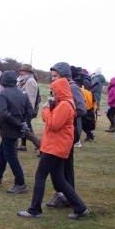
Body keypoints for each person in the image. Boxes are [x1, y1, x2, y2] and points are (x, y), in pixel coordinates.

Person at [17, 76, 90, 220]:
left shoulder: (65, 105)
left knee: (40, 176)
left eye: (55, 91)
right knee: (59, 179)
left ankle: (34, 209)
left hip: (56, 146)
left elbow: (54, 124)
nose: (54, 94)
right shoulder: (65, 103)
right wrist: (52, 107)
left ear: (61, 90)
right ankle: (80, 208)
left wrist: (45, 110)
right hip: (59, 145)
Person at [45, 63, 86, 209]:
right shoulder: (62, 87)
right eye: (52, 76)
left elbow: (81, 109)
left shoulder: (72, 87)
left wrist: (61, 113)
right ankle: (63, 195)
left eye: (56, 76)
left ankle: (67, 197)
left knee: (65, 166)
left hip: (68, 132)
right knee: (58, 167)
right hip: (61, 131)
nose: (53, 79)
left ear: (64, 75)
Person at [0, 70, 33, 193]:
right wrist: (24, 123)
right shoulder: (22, 93)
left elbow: (4, 114)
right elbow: (29, 111)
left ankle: (20, 182)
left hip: (9, 128)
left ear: (3, 80)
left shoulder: (3, 94)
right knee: (2, 151)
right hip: (17, 127)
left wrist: (20, 124)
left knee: (11, 155)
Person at [16, 64, 41, 151]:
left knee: (25, 130)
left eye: (22, 71)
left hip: (25, 110)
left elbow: (30, 98)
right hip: (23, 110)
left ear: (27, 72)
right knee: (27, 129)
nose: (20, 72)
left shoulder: (30, 82)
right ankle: (39, 145)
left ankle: (41, 145)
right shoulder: (25, 80)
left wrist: (26, 112)